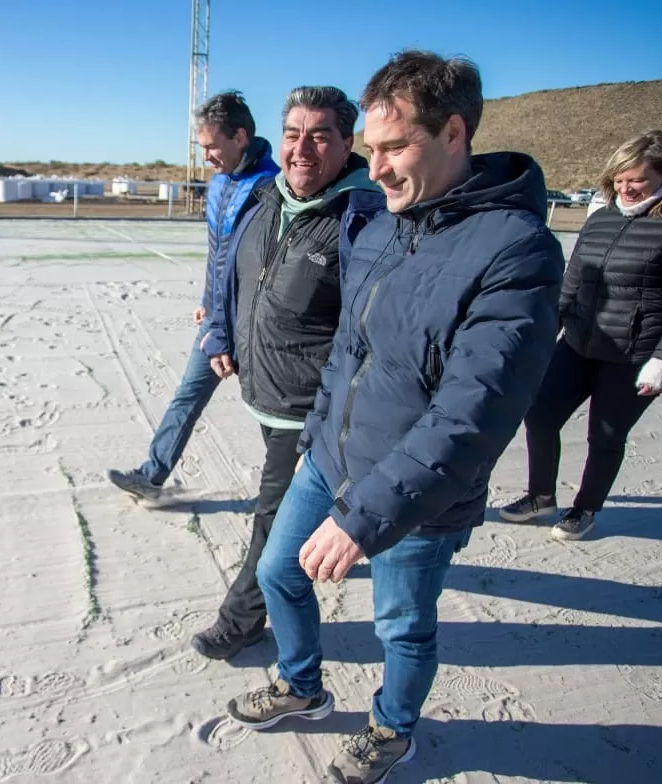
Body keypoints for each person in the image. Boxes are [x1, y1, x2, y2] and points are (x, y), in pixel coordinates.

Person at [224, 50, 565, 784]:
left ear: (453, 133)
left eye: (395, 147)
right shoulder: (377, 224)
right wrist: (318, 441)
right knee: (279, 572)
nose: (375, 169)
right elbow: (349, 353)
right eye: (370, 149)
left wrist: (363, 517)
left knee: (400, 624)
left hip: (422, 495)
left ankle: (392, 728)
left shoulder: (518, 249)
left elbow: (471, 416)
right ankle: (302, 685)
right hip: (330, 461)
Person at [190, 86, 384, 660]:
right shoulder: (268, 196)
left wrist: (329, 424)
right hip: (265, 390)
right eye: (295, 133)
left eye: (321, 135)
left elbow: (366, 333)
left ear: (349, 143)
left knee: (271, 520)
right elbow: (231, 268)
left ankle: (244, 617)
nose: (303, 148)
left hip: (310, 405)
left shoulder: (362, 217)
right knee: (283, 509)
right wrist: (221, 331)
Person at [500, 130, 662, 541]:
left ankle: (584, 509)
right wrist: (549, 329)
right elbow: (574, 279)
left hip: (636, 352)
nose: (625, 188)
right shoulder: (602, 217)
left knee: (605, 434)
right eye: (619, 179)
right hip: (580, 342)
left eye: (635, 179)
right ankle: (540, 496)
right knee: (540, 414)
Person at [107, 92, 279, 500]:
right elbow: (217, 254)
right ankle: (151, 476)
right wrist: (209, 299)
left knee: (274, 421)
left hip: (256, 327)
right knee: (188, 393)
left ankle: (301, 502)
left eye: (210, 146)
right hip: (219, 322)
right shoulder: (219, 184)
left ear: (239, 137)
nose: (205, 157)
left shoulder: (273, 186)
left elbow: (262, 268)